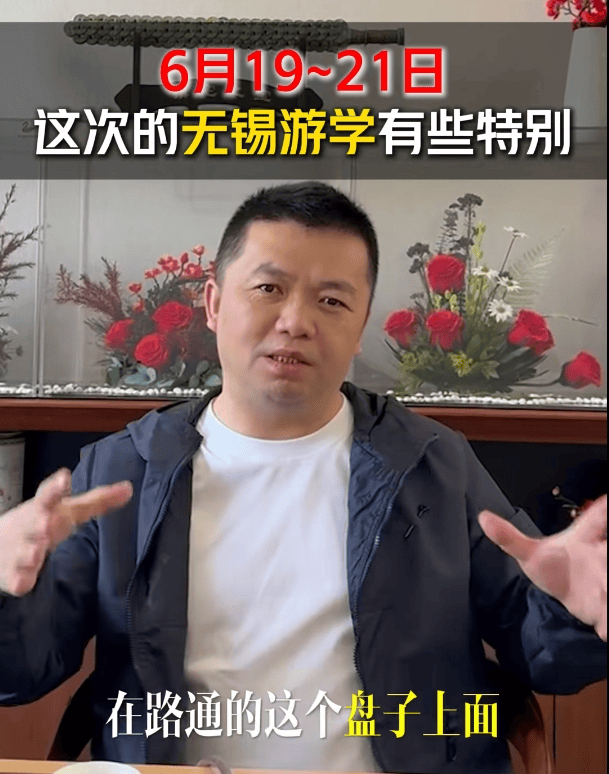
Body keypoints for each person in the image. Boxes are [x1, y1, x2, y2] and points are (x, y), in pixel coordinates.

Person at [0, 182, 606, 774]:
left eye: (332, 301)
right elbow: (22, 670)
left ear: (360, 324)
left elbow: (542, 651)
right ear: (214, 304)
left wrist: (574, 613)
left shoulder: (432, 464)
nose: (295, 321)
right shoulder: (124, 470)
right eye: (269, 288)